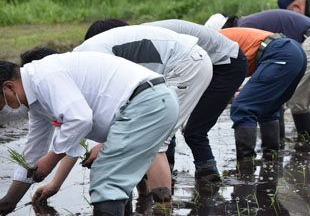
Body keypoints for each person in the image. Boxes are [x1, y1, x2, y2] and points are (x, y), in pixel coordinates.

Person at [0, 52, 179, 216]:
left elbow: (80, 120)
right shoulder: (37, 102)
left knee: (106, 179)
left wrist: (52, 159)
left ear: (8, 87)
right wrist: (9, 201)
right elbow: (33, 154)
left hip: (147, 101)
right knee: (114, 180)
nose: (1, 109)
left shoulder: (44, 76)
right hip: (153, 102)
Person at [74, 22, 213, 201]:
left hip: (186, 64)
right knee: (145, 136)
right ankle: (145, 197)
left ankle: (162, 209)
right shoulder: (87, 57)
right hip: (186, 61)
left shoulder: (91, 58)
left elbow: (120, 110)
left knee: (154, 141)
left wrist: (106, 145)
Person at [142, 19, 248, 182]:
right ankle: (167, 175)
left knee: (194, 131)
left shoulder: (142, 41)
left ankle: (210, 183)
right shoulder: (139, 37)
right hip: (203, 62)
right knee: (166, 122)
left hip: (226, 64)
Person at [205, 9, 310, 139]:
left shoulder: (243, 28)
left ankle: (283, 142)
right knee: (299, 100)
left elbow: (263, 71)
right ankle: (306, 142)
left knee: (277, 93)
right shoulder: (247, 22)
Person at [212, 27, 306, 167]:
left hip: (279, 53)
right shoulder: (217, 42)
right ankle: (271, 162)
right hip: (295, 53)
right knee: (269, 109)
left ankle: (245, 167)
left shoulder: (210, 45)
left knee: (243, 108)